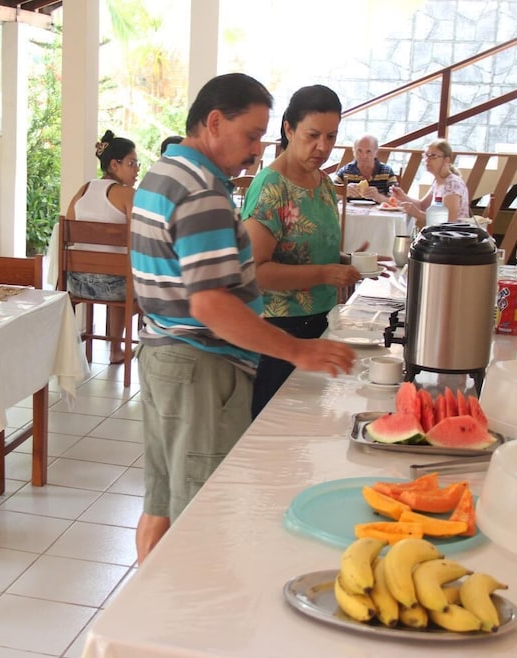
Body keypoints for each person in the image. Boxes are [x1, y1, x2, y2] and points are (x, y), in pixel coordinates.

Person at [130, 73, 356, 563]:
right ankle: (184, 626)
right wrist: (299, 350)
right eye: (252, 134)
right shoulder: (203, 191)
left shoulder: (162, 172)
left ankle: (143, 618)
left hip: (162, 353)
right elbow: (212, 305)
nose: (257, 149)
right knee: (201, 518)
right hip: (199, 365)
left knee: (162, 505)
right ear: (214, 122)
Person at [241, 84, 363, 418]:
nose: (322, 147)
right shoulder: (271, 188)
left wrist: (345, 264)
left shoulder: (322, 183)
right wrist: (325, 274)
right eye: (312, 135)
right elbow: (254, 271)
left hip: (320, 323)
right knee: (275, 434)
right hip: (279, 331)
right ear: (289, 129)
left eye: (331, 137)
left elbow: (306, 252)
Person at [63, 130, 140, 364]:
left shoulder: (83, 190)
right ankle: (119, 349)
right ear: (115, 165)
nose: (137, 169)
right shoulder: (128, 195)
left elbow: (68, 232)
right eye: (132, 163)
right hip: (116, 287)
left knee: (119, 272)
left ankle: (75, 351)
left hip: (77, 284)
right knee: (143, 283)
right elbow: (142, 236)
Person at [390, 138, 471, 224]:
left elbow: (449, 221)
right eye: (426, 155)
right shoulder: (437, 181)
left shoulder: (452, 183)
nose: (427, 160)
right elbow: (423, 206)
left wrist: (417, 213)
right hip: (439, 233)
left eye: (433, 156)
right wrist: (403, 197)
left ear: (446, 160)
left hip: (453, 234)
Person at [335, 134, 398, 203]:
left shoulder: (387, 172)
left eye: (368, 151)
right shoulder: (345, 171)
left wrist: (378, 197)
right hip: (351, 213)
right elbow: (328, 196)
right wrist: (344, 193)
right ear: (354, 152)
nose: (364, 156)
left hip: (378, 213)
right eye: (359, 151)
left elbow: (397, 201)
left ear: (376, 153)